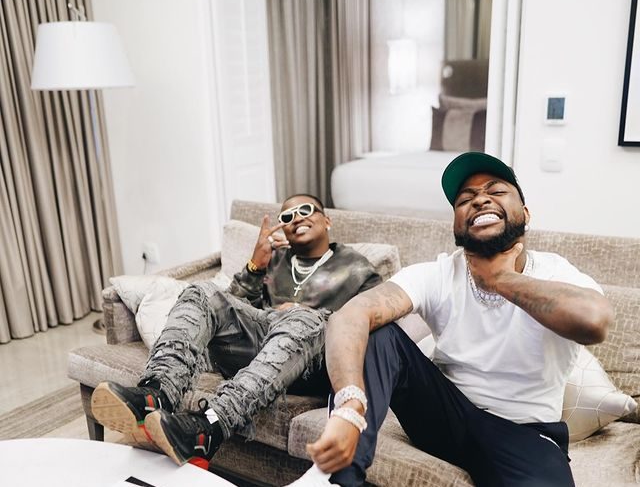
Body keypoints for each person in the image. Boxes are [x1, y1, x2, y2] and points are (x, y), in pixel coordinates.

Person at [289, 152, 614, 487]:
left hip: (525, 435)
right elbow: (350, 316)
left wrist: (501, 279)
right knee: (379, 333)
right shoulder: (439, 273)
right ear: (457, 224)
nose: (480, 200)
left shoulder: (555, 271)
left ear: (525, 214)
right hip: (444, 416)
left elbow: (593, 321)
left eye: (496, 191)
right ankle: (335, 481)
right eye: (465, 199)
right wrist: (349, 406)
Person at [91, 194, 381, 469]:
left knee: (303, 318)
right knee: (204, 292)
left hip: (317, 359)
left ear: (326, 220)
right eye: (287, 216)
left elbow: (373, 323)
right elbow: (230, 311)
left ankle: (209, 427)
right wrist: (255, 265)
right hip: (262, 348)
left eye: (305, 211)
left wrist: (307, 313)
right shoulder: (276, 259)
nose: (296, 218)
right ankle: (156, 392)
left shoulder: (356, 267)